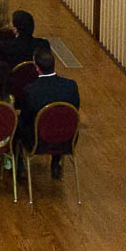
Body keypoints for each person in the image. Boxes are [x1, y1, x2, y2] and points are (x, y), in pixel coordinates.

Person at [17, 47, 81, 179]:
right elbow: (74, 110)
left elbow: (25, 118)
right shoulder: (71, 86)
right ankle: (55, 163)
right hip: (67, 139)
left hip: (37, 141)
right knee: (59, 121)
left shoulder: (31, 90)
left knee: (17, 124)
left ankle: (19, 167)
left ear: (36, 67)